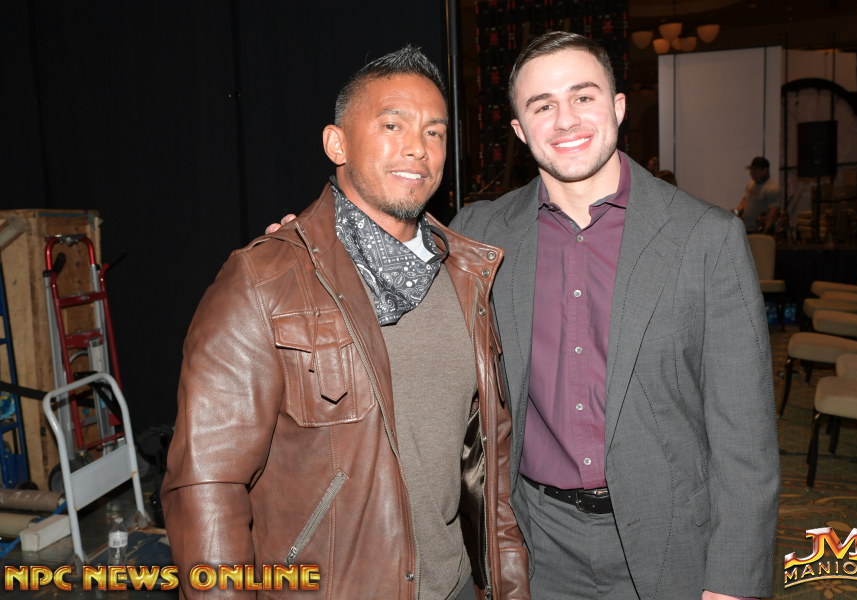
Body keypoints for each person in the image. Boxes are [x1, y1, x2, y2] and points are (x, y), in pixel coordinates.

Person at [162, 46, 530, 600]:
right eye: (392, 125)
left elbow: (487, 469)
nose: (418, 147)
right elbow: (206, 485)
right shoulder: (263, 280)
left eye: (434, 132)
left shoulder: (467, 276)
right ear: (337, 144)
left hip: (455, 588)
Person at [450, 32, 780, 600]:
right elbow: (392, 298)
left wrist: (733, 581)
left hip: (673, 542)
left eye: (583, 96)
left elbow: (744, 431)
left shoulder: (705, 237)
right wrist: (306, 244)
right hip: (531, 542)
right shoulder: (478, 235)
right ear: (520, 130)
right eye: (542, 106)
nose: (565, 120)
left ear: (618, 107)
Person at [734, 156, 781, 233]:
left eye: (755, 170)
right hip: (745, 228)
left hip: (758, 230)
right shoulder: (750, 185)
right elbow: (745, 200)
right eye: (751, 169)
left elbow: (773, 212)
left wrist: (764, 232)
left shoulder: (772, 188)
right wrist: (737, 210)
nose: (751, 172)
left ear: (765, 170)